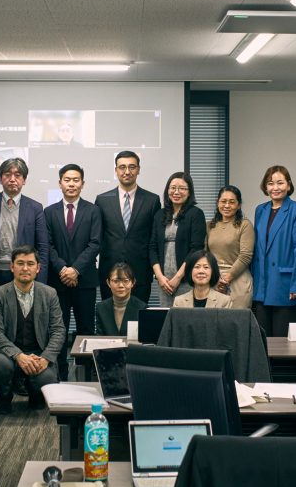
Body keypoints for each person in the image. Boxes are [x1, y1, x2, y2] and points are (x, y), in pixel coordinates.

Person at [0, 245, 64, 414]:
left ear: (38, 268)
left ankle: (36, 394)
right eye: (20, 263)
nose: (25, 268)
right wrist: (18, 355)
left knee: (47, 378)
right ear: (12, 267)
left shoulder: (50, 294)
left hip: (38, 353)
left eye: (30, 263)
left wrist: (45, 358)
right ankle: (4, 394)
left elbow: (58, 330)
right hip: (8, 354)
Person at [44, 164, 102, 377]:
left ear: (82, 184)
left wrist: (75, 269)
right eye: (67, 180)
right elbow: (47, 245)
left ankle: (87, 376)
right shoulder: (48, 212)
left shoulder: (93, 210)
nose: (71, 184)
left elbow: (95, 243)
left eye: (76, 180)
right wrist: (63, 269)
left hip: (84, 281)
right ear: (60, 183)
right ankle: (58, 375)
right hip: (57, 283)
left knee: (86, 330)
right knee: (58, 331)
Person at [251, 165, 296, 337]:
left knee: (284, 344)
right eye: (270, 183)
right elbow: (259, 249)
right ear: (265, 187)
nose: (275, 188)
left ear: (289, 185)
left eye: (280, 183)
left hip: (287, 286)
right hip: (262, 286)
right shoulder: (260, 210)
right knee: (263, 342)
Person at [96, 151, 162, 302]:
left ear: (138, 169)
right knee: (109, 321)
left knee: (138, 321)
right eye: (122, 167)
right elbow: (97, 237)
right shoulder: (102, 200)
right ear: (116, 170)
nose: (127, 171)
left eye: (132, 167)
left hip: (140, 273)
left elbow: (154, 239)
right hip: (109, 272)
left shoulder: (152, 200)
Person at [0, 157, 49, 298]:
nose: (12, 179)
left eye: (17, 175)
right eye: (7, 175)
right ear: (0, 178)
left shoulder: (35, 208)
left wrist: (40, 279)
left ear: (24, 180)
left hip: (23, 273)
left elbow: (42, 247)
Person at [150, 172, 206, 306]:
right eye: (173, 187)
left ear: (189, 192)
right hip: (164, 281)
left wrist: (178, 278)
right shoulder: (160, 214)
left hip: (185, 279)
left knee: (185, 319)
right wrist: (160, 277)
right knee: (166, 319)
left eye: (182, 188)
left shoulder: (196, 214)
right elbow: (152, 247)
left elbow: (196, 249)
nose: (176, 192)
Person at [205, 185, 255, 309]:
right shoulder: (209, 225)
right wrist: (215, 278)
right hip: (214, 280)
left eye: (232, 202)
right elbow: (205, 255)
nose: (227, 206)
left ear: (239, 205)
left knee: (236, 323)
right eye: (223, 201)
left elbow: (245, 255)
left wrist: (227, 277)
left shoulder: (245, 225)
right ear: (217, 203)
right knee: (213, 324)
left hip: (238, 280)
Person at [95, 262, 146, 335]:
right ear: (108, 282)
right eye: (116, 281)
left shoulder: (142, 308)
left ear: (133, 282)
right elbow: (100, 338)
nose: (121, 285)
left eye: (126, 281)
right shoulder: (101, 308)